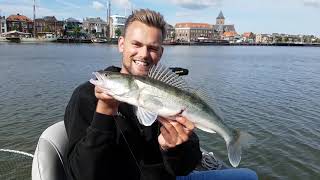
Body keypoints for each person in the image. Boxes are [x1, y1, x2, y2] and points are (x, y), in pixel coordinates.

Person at [64, 9, 258, 180]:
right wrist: (104, 112)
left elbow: (185, 167)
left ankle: (231, 136)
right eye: (136, 44)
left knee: (249, 176)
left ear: (161, 53)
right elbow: (82, 174)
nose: (143, 54)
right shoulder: (86, 97)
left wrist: (173, 148)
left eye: (153, 48)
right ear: (121, 44)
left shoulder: (173, 95)